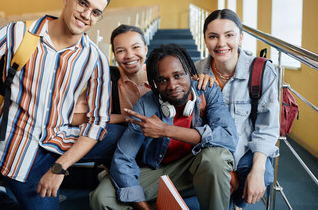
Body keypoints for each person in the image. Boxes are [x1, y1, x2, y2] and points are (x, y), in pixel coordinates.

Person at [0, 0, 120, 210]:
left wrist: (60, 167)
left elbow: (98, 122)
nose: (87, 15)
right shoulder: (19, 33)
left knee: (129, 134)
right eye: (83, 3)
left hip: (61, 139)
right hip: (23, 151)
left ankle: (120, 184)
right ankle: (0, 197)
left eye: (96, 12)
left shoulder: (94, 57)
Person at [89, 43, 238, 210]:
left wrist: (166, 130)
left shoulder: (208, 91)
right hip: (156, 170)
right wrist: (142, 205)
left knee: (215, 159)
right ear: (155, 84)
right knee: (101, 198)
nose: (172, 85)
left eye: (178, 75)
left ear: (190, 72)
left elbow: (228, 137)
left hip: (196, 167)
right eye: (163, 80)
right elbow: (124, 158)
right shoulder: (146, 105)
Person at [194, 9, 279, 208]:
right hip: (211, 151)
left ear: (240, 38)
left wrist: (256, 171)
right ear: (205, 40)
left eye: (229, 35)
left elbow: (267, 128)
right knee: (215, 168)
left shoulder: (262, 71)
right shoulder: (195, 72)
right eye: (213, 36)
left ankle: (235, 200)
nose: (221, 43)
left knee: (263, 173)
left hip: (245, 152)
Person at [72, 24, 215, 126]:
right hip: (127, 142)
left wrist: (204, 78)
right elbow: (74, 118)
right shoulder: (107, 79)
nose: (129, 56)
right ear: (114, 55)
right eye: (121, 51)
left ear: (146, 49)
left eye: (136, 47)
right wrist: (125, 118)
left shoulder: (165, 75)